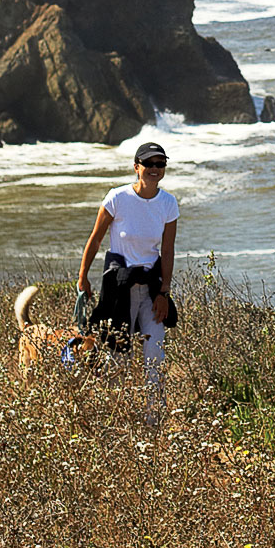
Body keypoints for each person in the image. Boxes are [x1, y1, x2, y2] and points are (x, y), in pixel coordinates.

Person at [78, 140, 177, 428]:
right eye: (149, 164)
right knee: (117, 357)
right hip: (119, 289)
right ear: (136, 167)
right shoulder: (117, 198)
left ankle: (154, 422)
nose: (155, 169)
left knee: (155, 354)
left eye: (160, 164)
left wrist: (164, 292)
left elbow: (167, 250)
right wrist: (83, 277)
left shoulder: (168, 204)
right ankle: (115, 421)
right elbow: (95, 239)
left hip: (151, 289)